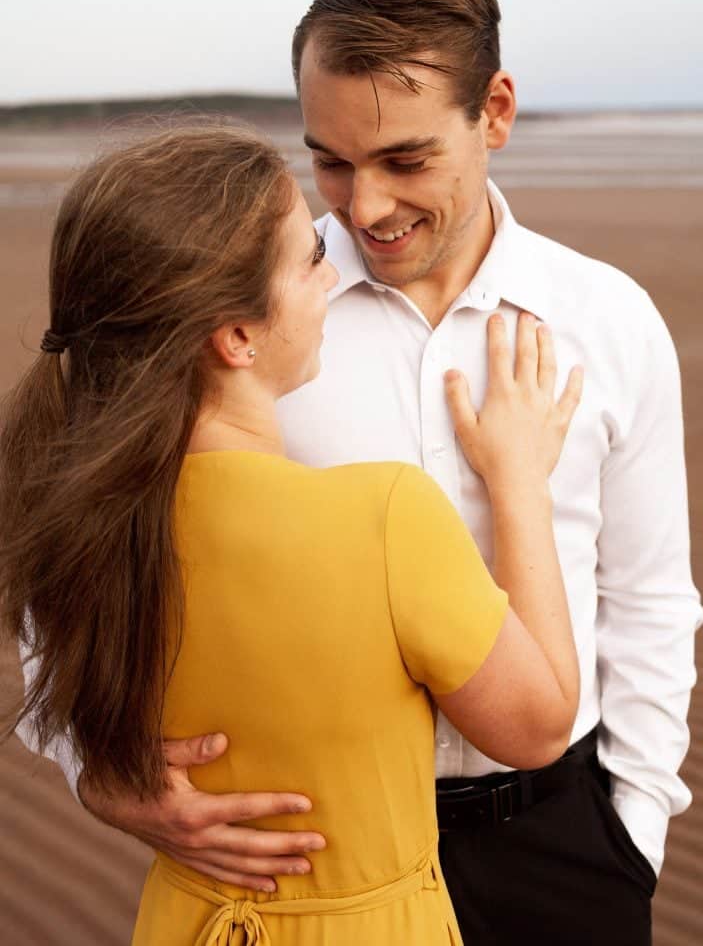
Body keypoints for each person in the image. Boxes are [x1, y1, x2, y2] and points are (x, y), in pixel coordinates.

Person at [17, 0, 701, 946]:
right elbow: (70, 566)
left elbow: (647, 597)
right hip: (308, 858)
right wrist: (102, 779)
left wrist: (629, 827)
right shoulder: (239, 326)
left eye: (404, 158)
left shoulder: (607, 320)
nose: (364, 206)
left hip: (557, 844)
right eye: (329, 161)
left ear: (495, 113)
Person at [3, 125, 584, 944]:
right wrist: (519, 479)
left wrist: (105, 786)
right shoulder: (386, 514)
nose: (330, 272)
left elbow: (67, 717)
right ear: (236, 336)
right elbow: (536, 727)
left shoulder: (78, 523)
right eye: (309, 255)